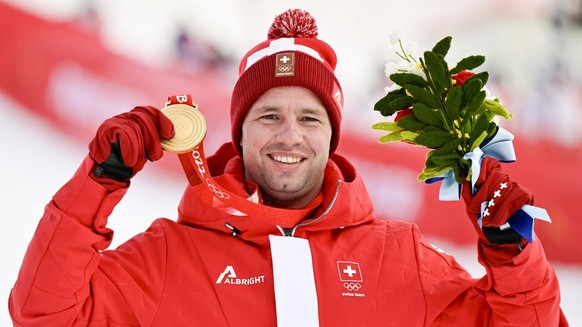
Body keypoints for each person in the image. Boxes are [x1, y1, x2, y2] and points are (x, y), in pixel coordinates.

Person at [9, 9, 567, 326]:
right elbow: (43, 316)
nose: (290, 136)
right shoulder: (167, 257)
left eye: (310, 118)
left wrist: (512, 249)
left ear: (332, 136)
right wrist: (97, 184)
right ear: (240, 131)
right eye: (269, 115)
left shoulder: (401, 260)